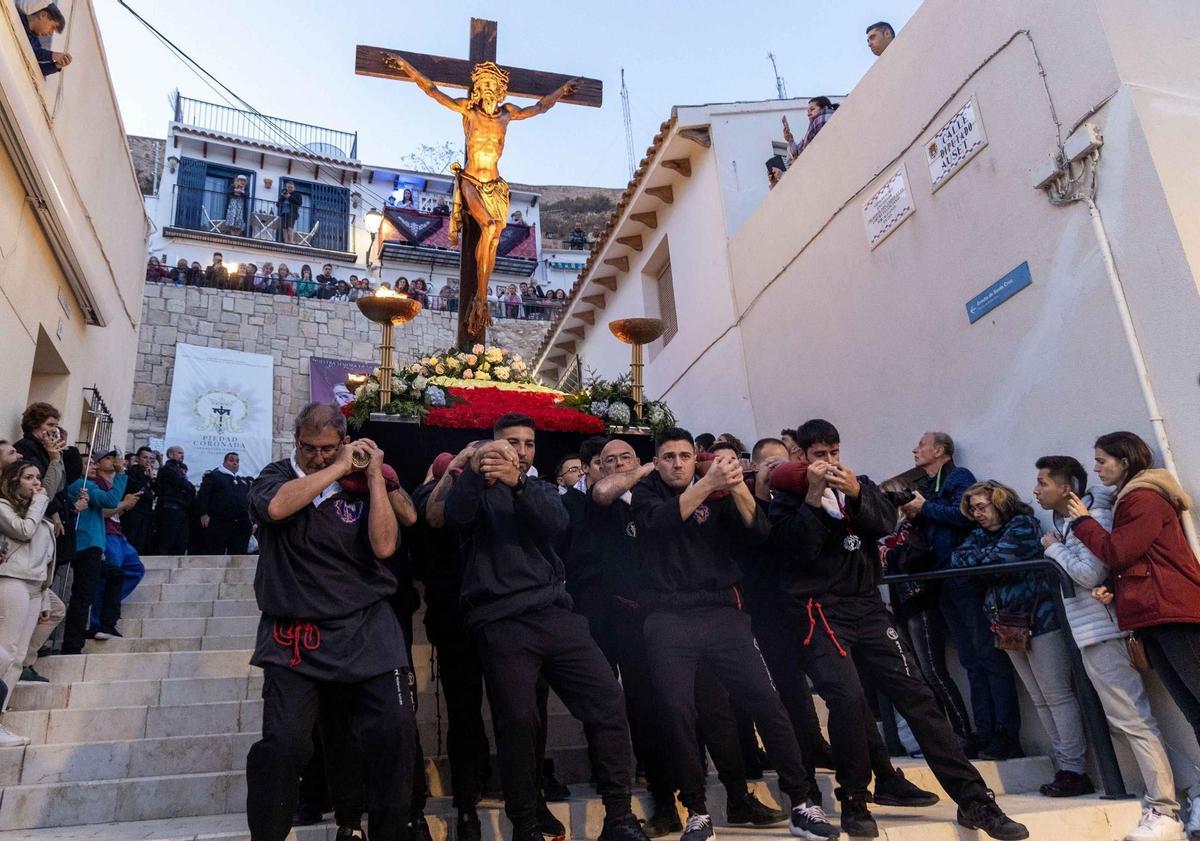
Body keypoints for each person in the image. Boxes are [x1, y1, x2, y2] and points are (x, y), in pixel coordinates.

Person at [770, 419, 1029, 840]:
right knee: (849, 701)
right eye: (819, 455)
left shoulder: (860, 484)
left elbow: (885, 523)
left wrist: (853, 491)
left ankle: (975, 800)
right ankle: (854, 799)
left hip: (868, 607)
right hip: (821, 612)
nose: (830, 462)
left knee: (920, 697)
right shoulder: (786, 499)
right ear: (802, 457)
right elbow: (796, 551)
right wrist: (814, 497)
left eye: (834, 452)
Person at [442, 414, 649, 841]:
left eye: (529, 444)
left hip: (556, 613)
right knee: (518, 722)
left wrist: (517, 484)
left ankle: (619, 817)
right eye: (511, 443)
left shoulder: (537, 488)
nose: (520, 451)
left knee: (609, 701)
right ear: (490, 446)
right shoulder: (474, 487)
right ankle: (527, 825)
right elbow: (455, 517)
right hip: (500, 619)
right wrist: (477, 469)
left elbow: (557, 524)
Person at [632, 427, 837, 841]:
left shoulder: (719, 488)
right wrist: (708, 483)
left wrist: (737, 485)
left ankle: (800, 802)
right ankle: (696, 811)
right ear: (657, 461)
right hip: (668, 617)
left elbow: (757, 531)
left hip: (723, 612)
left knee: (767, 703)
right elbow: (660, 525)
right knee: (676, 712)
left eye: (684, 456)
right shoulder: (647, 493)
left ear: (694, 457)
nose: (676, 463)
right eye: (668, 456)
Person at [590, 438, 787, 837]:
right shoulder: (621, 494)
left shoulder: (672, 488)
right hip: (634, 618)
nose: (618, 464)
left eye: (626, 456)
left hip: (687, 612)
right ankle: (667, 802)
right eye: (608, 460)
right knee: (656, 713)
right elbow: (606, 490)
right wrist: (642, 470)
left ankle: (736, 794)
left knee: (716, 710)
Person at [245, 403, 415, 841]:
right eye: (309, 448)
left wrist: (374, 476)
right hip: (295, 633)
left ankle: (386, 831)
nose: (316, 456)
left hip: (366, 628)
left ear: (343, 440)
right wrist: (337, 468)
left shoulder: (360, 484)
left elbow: (384, 545)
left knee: (394, 731)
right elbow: (279, 509)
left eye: (328, 449)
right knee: (285, 745)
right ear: (296, 441)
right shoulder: (275, 476)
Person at [1035, 455, 1195, 841]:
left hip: (1106, 631)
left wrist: (1054, 549)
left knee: (1134, 720)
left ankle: (1165, 810)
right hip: (1091, 631)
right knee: (1130, 721)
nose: (1036, 489)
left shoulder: (1093, 516)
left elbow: (1093, 571)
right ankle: (1184, 795)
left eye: (1043, 482)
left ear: (1066, 487)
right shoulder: (1070, 520)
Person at [952, 480, 1091, 797]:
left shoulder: (1022, 524)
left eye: (982, 506)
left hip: (1038, 619)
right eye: (973, 509)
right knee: (1039, 699)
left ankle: (1075, 768)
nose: (978, 514)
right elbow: (959, 560)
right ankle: (1064, 766)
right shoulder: (978, 535)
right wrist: (988, 559)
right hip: (1006, 625)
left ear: (999, 501)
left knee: (1057, 694)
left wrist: (986, 561)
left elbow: (1001, 560)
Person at [898, 432, 1006, 757]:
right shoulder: (928, 487)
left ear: (940, 450)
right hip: (941, 581)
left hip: (963, 577)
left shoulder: (959, 477)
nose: (915, 449)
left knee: (987, 657)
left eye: (921, 445)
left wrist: (924, 507)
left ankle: (1003, 734)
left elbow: (963, 515)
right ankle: (983, 733)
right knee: (970, 660)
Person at [0, 460, 56, 745]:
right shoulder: (4, 506)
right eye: (29, 477)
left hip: (35, 586)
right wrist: (39, 503)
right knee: (5, 652)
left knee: (18, 657)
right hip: (12, 580)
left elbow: (43, 558)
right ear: (14, 481)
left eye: (38, 477)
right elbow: (23, 531)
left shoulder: (38, 511)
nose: (36, 482)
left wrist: (45, 594)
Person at [63, 450, 127, 653]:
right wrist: (121, 474)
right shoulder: (83, 485)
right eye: (88, 464)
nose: (94, 466)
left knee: (113, 575)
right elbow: (110, 501)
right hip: (87, 545)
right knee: (83, 596)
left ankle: (104, 624)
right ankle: (73, 644)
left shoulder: (82, 485)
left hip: (90, 544)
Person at [88, 449, 145, 638]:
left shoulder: (112, 483)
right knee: (109, 576)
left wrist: (124, 506)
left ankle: (108, 606)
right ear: (97, 463)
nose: (114, 461)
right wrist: (123, 504)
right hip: (106, 534)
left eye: (114, 457)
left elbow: (113, 512)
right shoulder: (96, 483)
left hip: (117, 534)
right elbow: (103, 511)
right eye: (108, 458)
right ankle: (98, 622)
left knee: (135, 569)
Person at [196, 452, 254, 555]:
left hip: (239, 523)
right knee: (216, 551)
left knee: (238, 553)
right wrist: (203, 513)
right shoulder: (214, 476)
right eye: (231, 460)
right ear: (224, 462)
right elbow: (204, 495)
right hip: (219, 522)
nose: (235, 463)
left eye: (237, 461)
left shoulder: (242, 481)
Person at [154, 446, 194, 555]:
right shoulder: (168, 469)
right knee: (167, 541)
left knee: (180, 543)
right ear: (171, 454)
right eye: (179, 453)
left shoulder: (178, 469)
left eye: (183, 453)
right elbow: (184, 485)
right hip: (170, 509)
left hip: (181, 510)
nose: (182, 455)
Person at [17, 1, 70, 77]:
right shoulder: (16, 16)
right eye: (52, 27)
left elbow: (36, 69)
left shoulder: (35, 42)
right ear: (43, 15)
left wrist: (56, 65)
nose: (51, 33)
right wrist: (53, 55)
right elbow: (30, 52)